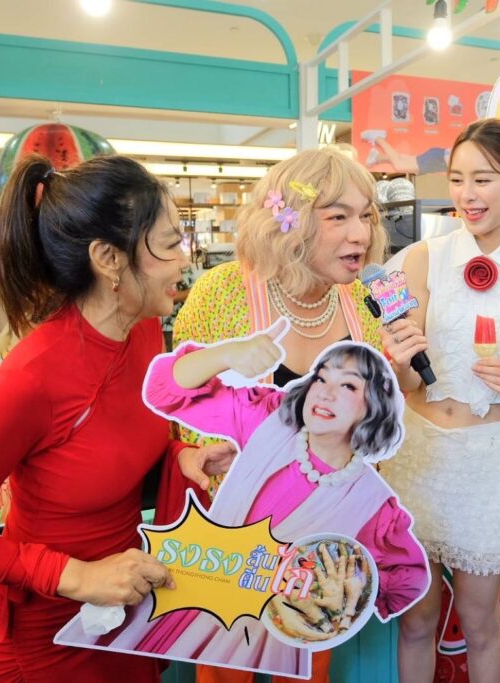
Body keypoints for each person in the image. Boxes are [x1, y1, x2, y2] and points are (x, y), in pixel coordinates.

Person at [0, 154, 235, 681]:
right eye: (170, 244)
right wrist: (78, 576)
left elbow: (112, 443)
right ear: (108, 258)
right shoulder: (29, 379)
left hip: (126, 609)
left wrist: (181, 457)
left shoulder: (143, 331)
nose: (184, 262)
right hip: (45, 635)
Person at [153, 146, 389, 683]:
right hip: (236, 538)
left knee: (308, 670)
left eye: (367, 215)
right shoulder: (222, 294)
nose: (361, 234)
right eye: (338, 217)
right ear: (292, 222)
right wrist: (197, 451)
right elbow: (181, 406)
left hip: (324, 543)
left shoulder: (364, 306)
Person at [69, 336, 428, 676]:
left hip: (298, 630)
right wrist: (226, 355)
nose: (325, 392)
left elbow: (407, 580)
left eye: (348, 385)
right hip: (218, 610)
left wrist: (340, 590)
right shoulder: (266, 418)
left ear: (373, 407)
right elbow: (165, 389)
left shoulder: (372, 504)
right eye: (321, 378)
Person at [377, 118, 500, 683]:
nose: (467, 194)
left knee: (481, 625)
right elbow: (408, 383)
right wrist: (397, 365)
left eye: (483, 179)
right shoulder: (422, 258)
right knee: (416, 621)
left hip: (487, 460)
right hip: (418, 456)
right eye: (457, 179)